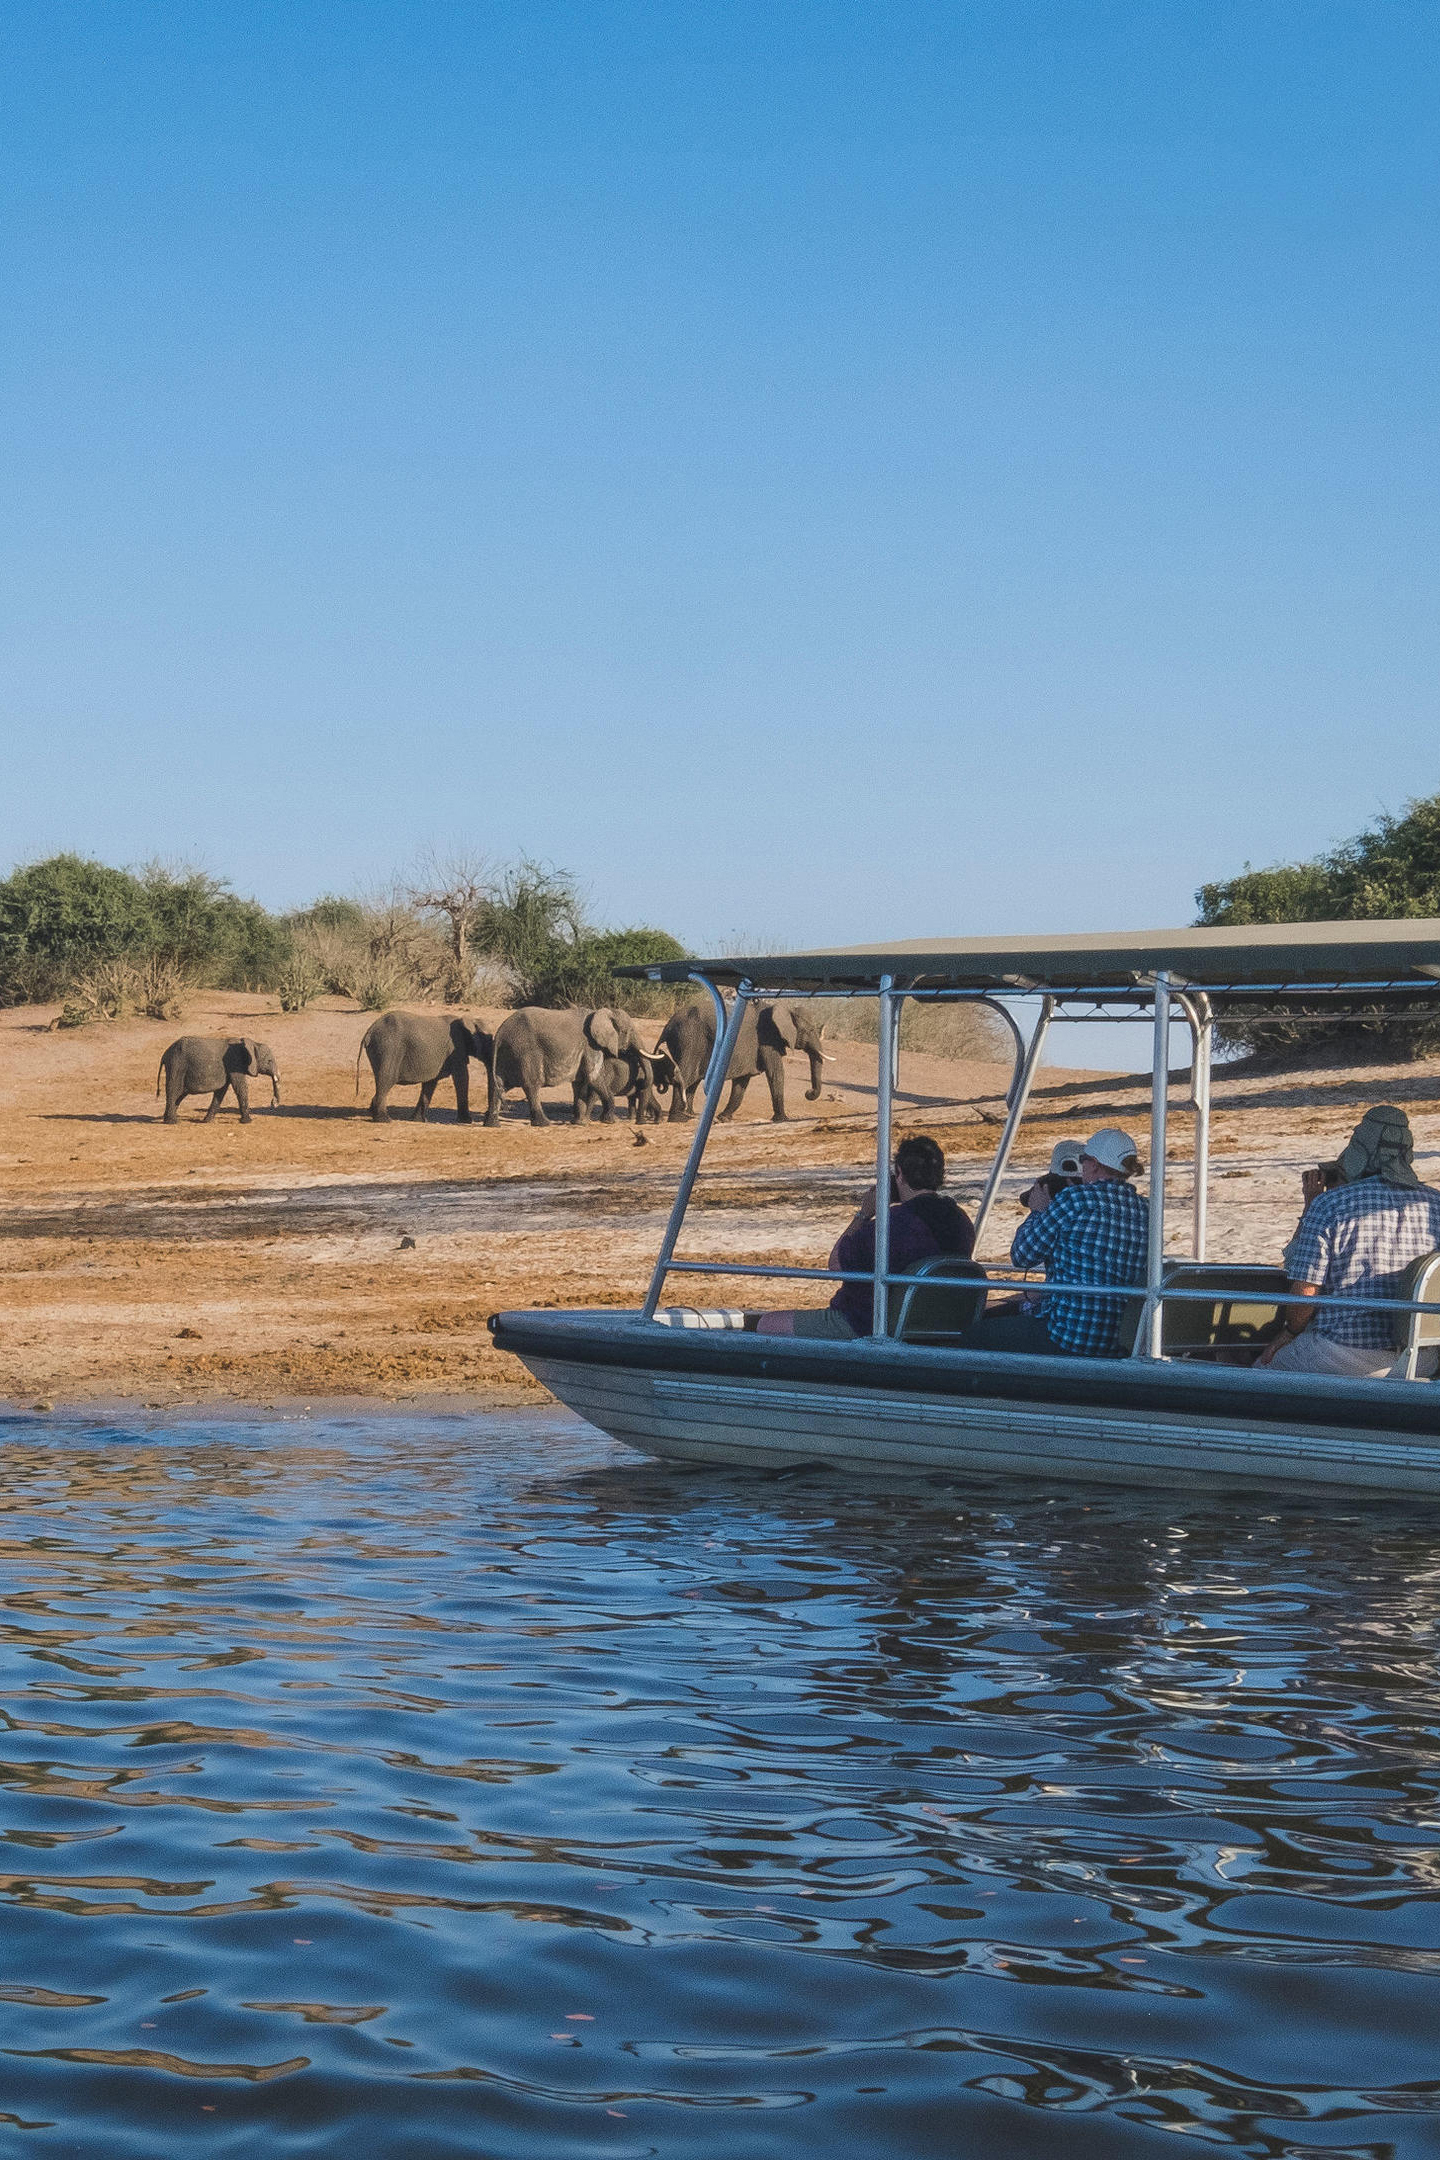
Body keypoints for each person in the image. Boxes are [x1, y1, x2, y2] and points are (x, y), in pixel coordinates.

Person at [1258, 1105, 1440, 1378]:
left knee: (1262, 1369)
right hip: (1420, 1359)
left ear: (1359, 1151)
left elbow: (1305, 1293)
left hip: (1340, 1353)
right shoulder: (1434, 1204)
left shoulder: (1329, 1204)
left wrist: (1290, 1332)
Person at [755, 1133, 975, 1339]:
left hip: (868, 1324)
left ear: (898, 1173)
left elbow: (836, 1264)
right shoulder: (960, 1220)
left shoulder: (894, 1224)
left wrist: (865, 1213)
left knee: (767, 1323)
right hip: (934, 1326)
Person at [964, 1127, 1149, 1357]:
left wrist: (1039, 1211)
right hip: (1121, 1338)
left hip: (1069, 1335)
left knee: (975, 1334)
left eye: (1084, 1160)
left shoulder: (1075, 1199)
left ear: (1093, 1164)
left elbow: (1022, 1256)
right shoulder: (1146, 1209)